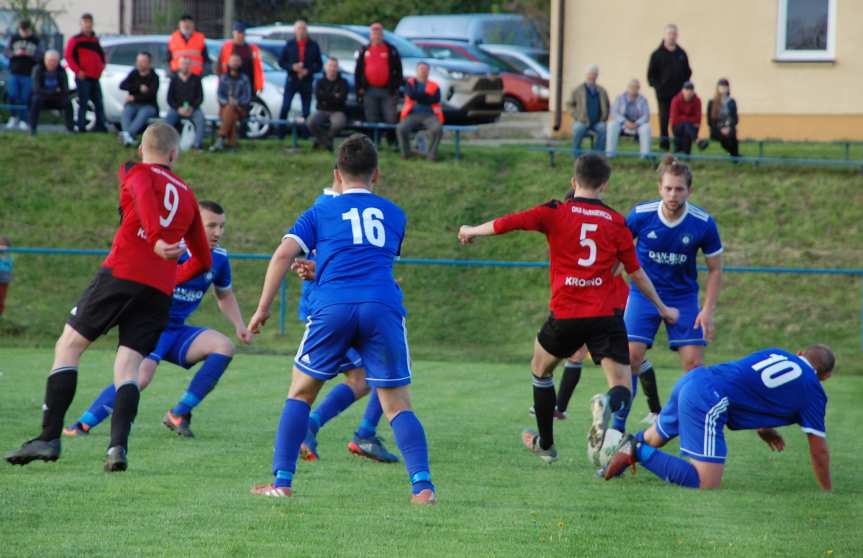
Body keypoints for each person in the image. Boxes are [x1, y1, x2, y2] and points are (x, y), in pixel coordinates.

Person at [4, 122, 212, 472]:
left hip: (122, 274)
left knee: (68, 346)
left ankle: (49, 437)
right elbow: (204, 261)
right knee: (128, 369)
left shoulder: (136, 171)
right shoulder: (189, 196)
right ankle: (117, 448)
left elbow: (144, 194)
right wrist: (170, 274)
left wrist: (157, 238)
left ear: (143, 149)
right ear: (174, 154)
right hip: (159, 292)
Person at [247, 134, 435, 503]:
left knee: (300, 392)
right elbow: (369, 257)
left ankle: (282, 483)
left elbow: (284, 254)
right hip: (382, 306)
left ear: (337, 173)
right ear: (376, 174)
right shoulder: (396, 214)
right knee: (397, 403)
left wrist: (263, 308)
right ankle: (422, 487)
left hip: (333, 305)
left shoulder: (319, 212)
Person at [457, 154, 679, 465]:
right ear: (604, 184)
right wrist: (662, 307)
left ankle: (546, 444)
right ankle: (604, 401)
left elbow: (509, 223)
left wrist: (472, 230)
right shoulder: (617, 222)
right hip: (606, 316)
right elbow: (636, 273)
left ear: (573, 182)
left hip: (567, 315)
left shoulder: (556, 211)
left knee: (541, 369)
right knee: (621, 387)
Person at [64, 201, 251, 438]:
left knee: (223, 347)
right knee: (139, 378)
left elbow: (224, 295)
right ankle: (82, 425)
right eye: (211, 225)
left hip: (176, 330)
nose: (218, 232)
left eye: (222, 226)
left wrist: (240, 325)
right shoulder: (170, 250)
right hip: (151, 328)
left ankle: (178, 413)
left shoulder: (220, 258)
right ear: (194, 225)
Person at [602, 345, 835, 492]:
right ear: (825, 376)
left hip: (695, 379)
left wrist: (764, 428)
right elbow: (819, 450)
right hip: (709, 398)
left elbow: (752, 385)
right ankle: (635, 450)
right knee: (705, 482)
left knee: (654, 437)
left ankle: (612, 463)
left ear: (800, 354)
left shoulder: (777, 353)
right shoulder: (814, 390)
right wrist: (827, 492)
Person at [289, 176, 398, 464]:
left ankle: (350, 432)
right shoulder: (331, 209)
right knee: (380, 371)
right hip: (333, 313)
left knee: (364, 378)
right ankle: (310, 441)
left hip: (334, 309)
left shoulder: (330, 207)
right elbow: (299, 258)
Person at [624, 156, 723, 425]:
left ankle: (676, 424)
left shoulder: (703, 223)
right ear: (659, 187)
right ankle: (616, 433)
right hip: (643, 296)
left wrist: (707, 311)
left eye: (679, 189)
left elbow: (715, 269)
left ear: (689, 190)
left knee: (694, 367)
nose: (673, 194)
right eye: (668, 188)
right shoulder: (640, 215)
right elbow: (616, 253)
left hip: (683, 298)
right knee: (631, 358)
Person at [355, 22, 403, 148]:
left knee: (390, 118)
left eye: (379, 34)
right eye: (374, 34)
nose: (376, 36)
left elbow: (399, 71)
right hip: (369, 90)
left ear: (383, 35)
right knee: (371, 118)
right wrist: (359, 88)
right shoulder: (364, 50)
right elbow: (358, 71)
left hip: (388, 91)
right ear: (371, 35)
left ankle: (392, 143)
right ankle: (373, 144)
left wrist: (395, 87)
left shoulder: (391, 50)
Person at [647, 24, 692, 151]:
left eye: (674, 34)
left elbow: (688, 72)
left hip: (679, 95)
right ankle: (664, 144)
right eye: (669, 33)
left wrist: (685, 89)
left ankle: (679, 146)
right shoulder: (656, 54)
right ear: (664, 35)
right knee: (664, 119)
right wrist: (658, 87)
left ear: (677, 36)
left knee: (679, 120)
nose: (672, 36)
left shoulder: (681, 54)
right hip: (663, 94)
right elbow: (651, 76)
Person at [277, 19, 322, 138]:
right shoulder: (289, 44)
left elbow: (319, 65)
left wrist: (308, 70)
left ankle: (305, 134)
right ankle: (281, 133)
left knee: (306, 110)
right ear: (295, 31)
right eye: (299, 29)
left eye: (303, 29)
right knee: (285, 106)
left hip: (306, 81)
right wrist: (292, 67)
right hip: (292, 79)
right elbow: (281, 62)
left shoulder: (313, 45)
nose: (301, 31)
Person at [64, 13, 107, 132]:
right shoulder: (76, 40)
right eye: (85, 23)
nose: (88, 26)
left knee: (98, 102)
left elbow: (101, 56)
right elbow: (68, 56)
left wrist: (101, 68)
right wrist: (78, 71)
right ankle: (81, 126)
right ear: (81, 24)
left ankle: (100, 126)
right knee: (83, 102)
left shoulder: (95, 40)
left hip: (95, 76)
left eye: (89, 23)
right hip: (83, 76)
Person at [396, 61, 444, 161]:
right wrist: (426, 95)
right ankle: (406, 154)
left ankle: (431, 156)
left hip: (430, 115)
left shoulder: (435, 85)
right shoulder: (410, 83)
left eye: (425, 69)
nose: (423, 71)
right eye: (421, 69)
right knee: (401, 128)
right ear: (417, 71)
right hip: (412, 114)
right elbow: (411, 94)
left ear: (428, 72)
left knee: (438, 129)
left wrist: (419, 96)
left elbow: (435, 99)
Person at [211, 53, 252, 152]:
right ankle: (232, 146)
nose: (235, 63)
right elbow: (219, 95)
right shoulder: (223, 78)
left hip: (240, 109)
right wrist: (228, 102)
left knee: (231, 110)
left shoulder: (244, 79)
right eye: (233, 61)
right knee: (231, 114)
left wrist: (237, 102)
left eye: (237, 61)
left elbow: (247, 97)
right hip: (226, 108)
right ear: (228, 63)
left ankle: (221, 138)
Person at [5, 19, 40, 131]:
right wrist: (15, 53)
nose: (24, 32)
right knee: (13, 95)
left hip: (28, 73)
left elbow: (41, 55)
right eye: (22, 30)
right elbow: (6, 52)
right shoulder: (14, 38)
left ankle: (24, 120)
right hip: (14, 71)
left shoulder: (35, 40)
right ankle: (13, 117)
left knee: (25, 97)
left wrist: (30, 55)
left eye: (26, 30)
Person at [307, 58, 349, 151]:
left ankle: (320, 141)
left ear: (338, 68)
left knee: (338, 124)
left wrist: (326, 97)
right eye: (330, 66)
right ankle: (327, 143)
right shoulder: (319, 82)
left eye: (335, 66)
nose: (332, 68)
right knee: (311, 122)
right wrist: (334, 96)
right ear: (325, 67)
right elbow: (319, 97)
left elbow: (342, 99)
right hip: (322, 110)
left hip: (338, 111)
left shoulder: (343, 82)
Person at [119, 51, 160, 147]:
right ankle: (129, 137)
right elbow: (122, 85)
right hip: (133, 104)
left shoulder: (154, 77)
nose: (139, 63)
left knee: (143, 114)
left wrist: (134, 97)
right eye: (138, 61)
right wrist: (138, 87)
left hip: (149, 105)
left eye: (142, 61)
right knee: (127, 112)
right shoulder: (134, 73)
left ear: (149, 63)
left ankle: (128, 135)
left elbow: (150, 95)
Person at [29, 50, 74, 135]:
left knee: (68, 102)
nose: (52, 63)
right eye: (50, 60)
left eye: (54, 61)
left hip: (56, 97)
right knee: (35, 100)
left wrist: (58, 92)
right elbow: (36, 88)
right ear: (45, 60)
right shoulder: (38, 69)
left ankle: (70, 129)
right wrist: (52, 91)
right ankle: (33, 129)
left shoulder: (61, 71)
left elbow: (65, 88)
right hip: (42, 97)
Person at [165, 56, 205, 150]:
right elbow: (169, 98)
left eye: (187, 64)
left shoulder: (196, 79)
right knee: (167, 121)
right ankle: (165, 145)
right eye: (183, 64)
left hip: (193, 108)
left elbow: (200, 97)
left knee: (200, 119)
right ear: (179, 65)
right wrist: (178, 108)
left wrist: (192, 107)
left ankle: (197, 144)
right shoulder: (174, 80)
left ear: (190, 65)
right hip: (177, 108)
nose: (185, 66)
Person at [568, 64, 609, 156]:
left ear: (597, 76)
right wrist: (577, 116)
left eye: (594, 74)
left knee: (603, 128)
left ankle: (597, 156)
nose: (592, 76)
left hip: (597, 122)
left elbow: (607, 105)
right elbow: (569, 105)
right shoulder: (578, 90)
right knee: (577, 129)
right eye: (590, 74)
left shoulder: (602, 90)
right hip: (582, 120)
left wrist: (604, 117)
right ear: (586, 75)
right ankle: (576, 155)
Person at [606, 79, 652, 158]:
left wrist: (637, 123)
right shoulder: (620, 97)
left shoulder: (643, 99)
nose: (633, 89)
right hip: (623, 124)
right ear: (628, 87)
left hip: (638, 124)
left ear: (638, 88)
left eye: (635, 87)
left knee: (646, 128)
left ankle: (645, 156)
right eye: (631, 87)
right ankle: (610, 154)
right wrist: (624, 122)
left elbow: (646, 115)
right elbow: (614, 112)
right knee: (611, 125)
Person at [217, 22, 263, 95]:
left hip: (246, 84)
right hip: (230, 83)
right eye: (238, 33)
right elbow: (220, 66)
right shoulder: (226, 47)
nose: (240, 35)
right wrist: (221, 81)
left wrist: (259, 85)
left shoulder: (251, 49)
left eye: (242, 33)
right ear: (233, 33)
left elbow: (257, 68)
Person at [706, 78, 740, 157]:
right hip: (716, 129)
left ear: (728, 88)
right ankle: (735, 156)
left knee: (732, 136)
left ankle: (735, 157)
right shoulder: (712, 102)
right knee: (726, 138)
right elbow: (710, 121)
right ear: (717, 88)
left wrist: (728, 127)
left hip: (729, 128)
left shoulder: (731, 102)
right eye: (721, 87)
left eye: (725, 87)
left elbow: (735, 119)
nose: (723, 89)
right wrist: (721, 129)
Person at [669, 81, 701, 155]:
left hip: (691, 128)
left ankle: (682, 154)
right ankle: (697, 140)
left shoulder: (697, 101)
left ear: (693, 92)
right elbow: (674, 119)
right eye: (687, 91)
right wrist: (688, 119)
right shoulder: (676, 100)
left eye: (690, 91)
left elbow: (697, 118)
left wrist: (683, 119)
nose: (689, 93)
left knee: (686, 129)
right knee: (686, 125)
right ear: (683, 91)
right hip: (677, 127)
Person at [0, 236, 12, 318]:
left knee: (1, 297)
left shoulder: (7, 256)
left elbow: (7, 268)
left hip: (3, 280)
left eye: (2, 245)